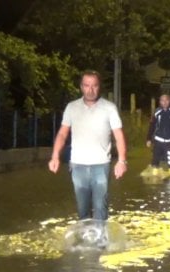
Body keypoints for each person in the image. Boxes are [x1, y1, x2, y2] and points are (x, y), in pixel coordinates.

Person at [48, 70, 127, 221]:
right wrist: (55, 156)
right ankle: (85, 240)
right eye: (86, 85)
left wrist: (122, 161)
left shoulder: (109, 108)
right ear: (81, 87)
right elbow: (62, 133)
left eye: (94, 86)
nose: (90, 90)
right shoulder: (72, 107)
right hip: (78, 166)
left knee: (100, 209)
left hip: (101, 165)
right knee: (82, 210)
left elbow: (119, 135)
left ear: (99, 87)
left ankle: (100, 242)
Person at [146, 94, 170, 175]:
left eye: (166, 100)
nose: (164, 102)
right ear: (160, 102)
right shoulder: (157, 112)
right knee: (155, 159)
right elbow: (152, 126)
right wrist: (148, 139)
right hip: (158, 140)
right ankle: (154, 176)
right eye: (162, 100)